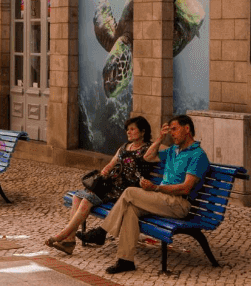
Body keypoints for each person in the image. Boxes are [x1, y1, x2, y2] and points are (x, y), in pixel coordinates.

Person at [78, 114, 210, 275]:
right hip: (162, 200)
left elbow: (185, 188)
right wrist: (160, 138)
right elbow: (148, 156)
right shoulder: (173, 151)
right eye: (170, 130)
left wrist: (155, 188)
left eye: (174, 129)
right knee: (130, 211)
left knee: (129, 193)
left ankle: (102, 232)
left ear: (187, 129)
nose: (172, 134)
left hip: (179, 204)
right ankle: (125, 260)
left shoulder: (197, 155)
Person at [46, 116, 153, 255]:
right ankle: (69, 241)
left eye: (133, 129)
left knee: (86, 200)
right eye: (128, 129)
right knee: (76, 198)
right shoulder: (125, 146)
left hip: (124, 191)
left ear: (143, 131)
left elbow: (158, 151)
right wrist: (106, 170)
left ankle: (62, 235)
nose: (129, 132)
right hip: (110, 185)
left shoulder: (147, 149)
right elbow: (112, 163)